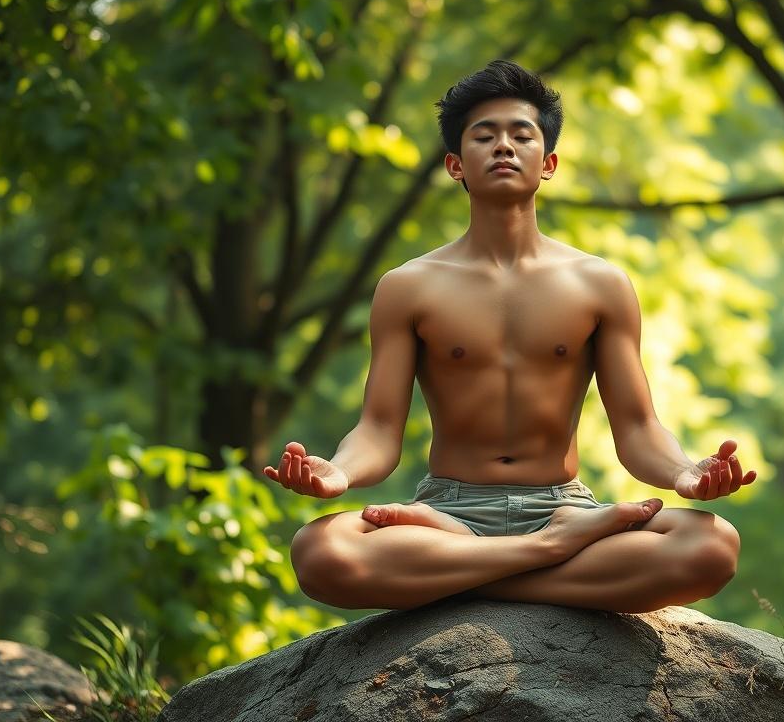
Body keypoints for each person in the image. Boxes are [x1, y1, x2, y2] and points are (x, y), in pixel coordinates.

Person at [264, 60, 756, 613]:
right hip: (448, 511)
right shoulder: (407, 287)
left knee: (712, 545)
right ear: (455, 165)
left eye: (522, 135)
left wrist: (684, 472)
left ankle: (468, 572)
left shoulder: (600, 283)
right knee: (321, 552)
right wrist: (340, 471)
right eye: (484, 136)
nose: (503, 146)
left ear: (548, 163)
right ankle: (548, 554)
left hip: (562, 507)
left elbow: (639, 428)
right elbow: (378, 429)